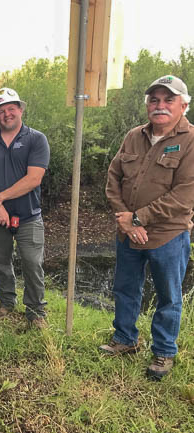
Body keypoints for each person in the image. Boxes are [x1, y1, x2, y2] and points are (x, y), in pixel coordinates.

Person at [103, 75, 194, 380]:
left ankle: (164, 352)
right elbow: (113, 179)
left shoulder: (191, 141)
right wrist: (125, 219)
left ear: (183, 105)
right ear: (147, 105)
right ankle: (125, 339)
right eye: (154, 100)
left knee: (168, 296)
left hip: (167, 236)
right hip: (127, 232)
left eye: (168, 100)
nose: (160, 106)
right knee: (125, 288)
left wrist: (138, 218)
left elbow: (183, 197)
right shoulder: (133, 136)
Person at [0, 88, 50, 328]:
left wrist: (0, 199)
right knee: (1, 261)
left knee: (31, 262)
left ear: (20, 109)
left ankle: (36, 312)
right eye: (1, 111)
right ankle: (6, 301)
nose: (6, 114)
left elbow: (34, 179)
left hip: (29, 216)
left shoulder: (36, 139)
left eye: (11, 109)